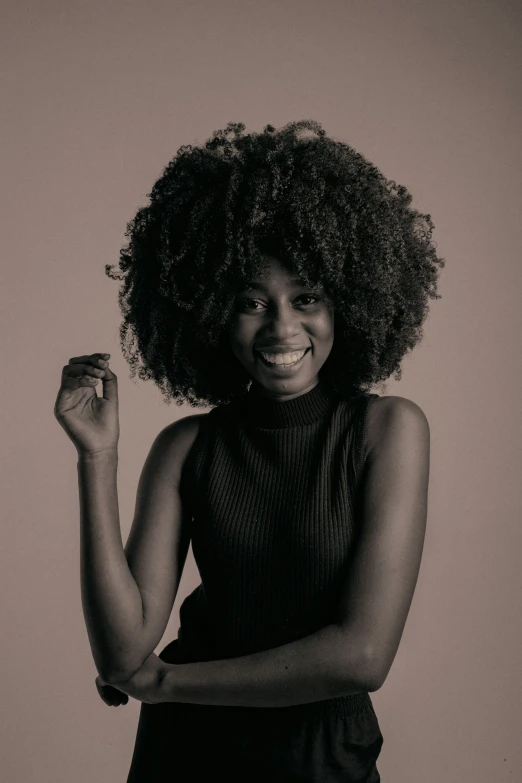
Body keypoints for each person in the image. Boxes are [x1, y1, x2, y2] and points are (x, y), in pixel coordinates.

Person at [54, 120, 444, 782]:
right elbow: (124, 650)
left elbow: (363, 654)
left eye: (307, 298)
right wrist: (98, 458)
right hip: (186, 757)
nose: (282, 327)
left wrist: (169, 682)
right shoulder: (187, 447)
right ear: (212, 314)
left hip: (317, 755)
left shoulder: (387, 431)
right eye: (250, 301)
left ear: (346, 305)